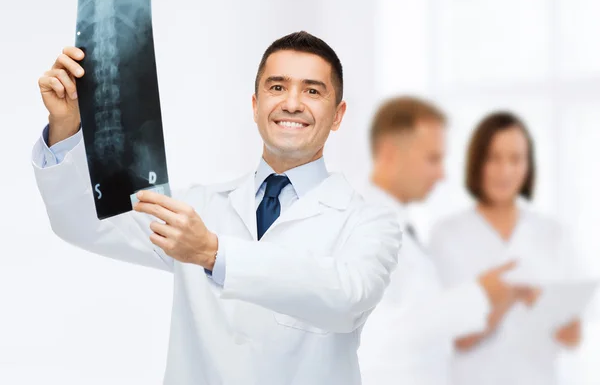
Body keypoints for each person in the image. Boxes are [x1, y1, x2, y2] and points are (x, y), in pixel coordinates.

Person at [32, 31, 402, 385]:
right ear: (256, 107)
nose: (292, 102)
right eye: (277, 87)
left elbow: (347, 299)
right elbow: (84, 224)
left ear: (338, 115)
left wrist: (213, 253)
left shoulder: (369, 221)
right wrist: (65, 126)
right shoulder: (196, 207)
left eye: (312, 91)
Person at [358, 97, 523, 385]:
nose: (442, 174)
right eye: (432, 159)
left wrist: (489, 302)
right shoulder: (362, 226)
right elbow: (380, 335)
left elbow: (423, 326)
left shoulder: (399, 225)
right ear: (389, 154)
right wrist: (479, 294)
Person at [429, 111, 581, 385]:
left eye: (515, 159)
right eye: (494, 158)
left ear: (528, 165)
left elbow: (572, 336)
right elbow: (454, 338)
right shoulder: (447, 235)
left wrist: (544, 306)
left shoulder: (553, 234)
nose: (505, 171)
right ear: (477, 162)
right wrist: (505, 298)